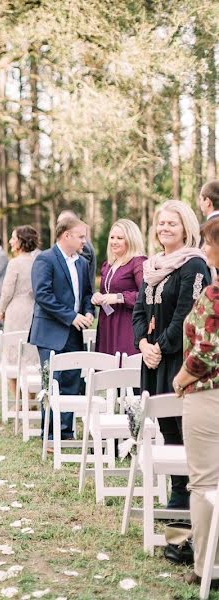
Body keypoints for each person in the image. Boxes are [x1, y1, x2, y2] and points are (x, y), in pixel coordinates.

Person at [133, 199, 211, 510]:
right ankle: (178, 491)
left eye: (172, 223)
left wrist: (159, 348)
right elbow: (139, 311)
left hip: (178, 360)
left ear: (186, 229)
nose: (165, 228)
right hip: (152, 360)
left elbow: (186, 317)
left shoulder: (193, 265)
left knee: (183, 428)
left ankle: (185, 498)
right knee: (166, 427)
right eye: (162, 222)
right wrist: (142, 344)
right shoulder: (151, 266)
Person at [172, 217, 219, 591]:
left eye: (208, 243)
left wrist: (182, 378)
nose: (204, 249)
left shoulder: (216, 294)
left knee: (204, 484)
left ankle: (207, 567)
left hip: (208, 397)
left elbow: (208, 351)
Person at [29, 215, 95, 444]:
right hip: (50, 332)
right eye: (80, 236)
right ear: (66, 235)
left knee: (71, 381)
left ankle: (65, 433)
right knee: (52, 383)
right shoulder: (45, 260)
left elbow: (87, 293)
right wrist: (71, 317)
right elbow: (43, 295)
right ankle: (49, 434)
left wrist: (88, 312)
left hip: (75, 332)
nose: (84, 241)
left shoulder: (83, 262)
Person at [0, 226, 41, 390]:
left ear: (21, 242)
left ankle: (18, 404)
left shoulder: (14, 263)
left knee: (13, 356)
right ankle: (31, 401)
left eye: (13, 238)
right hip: (34, 311)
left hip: (16, 311)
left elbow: (7, 290)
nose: (10, 241)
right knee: (31, 355)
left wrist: (1, 309)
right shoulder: (39, 262)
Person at [92, 219, 146, 356]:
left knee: (123, 368)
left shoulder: (138, 263)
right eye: (112, 237)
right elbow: (107, 292)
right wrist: (98, 297)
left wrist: (119, 297)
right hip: (106, 324)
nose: (114, 241)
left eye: (120, 238)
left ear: (131, 239)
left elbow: (146, 295)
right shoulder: (108, 264)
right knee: (105, 367)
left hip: (126, 324)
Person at [58, 210, 96, 292]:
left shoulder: (83, 245)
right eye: (58, 223)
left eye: (63, 222)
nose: (59, 226)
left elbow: (79, 271)